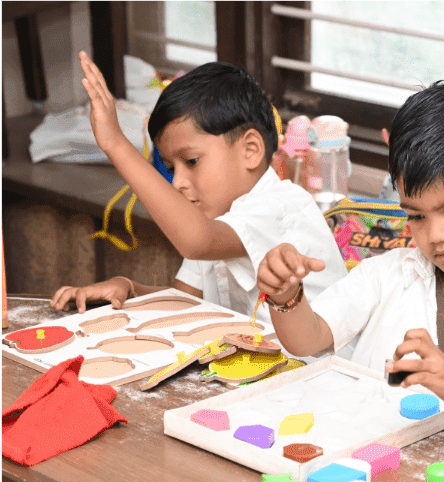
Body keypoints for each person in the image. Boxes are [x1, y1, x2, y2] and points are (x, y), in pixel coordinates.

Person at [256, 79, 444, 443]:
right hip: (366, 458)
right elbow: (309, 341)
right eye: (416, 216)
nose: (435, 234)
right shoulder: (387, 275)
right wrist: (286, 298)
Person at [50, 52, 346, 322]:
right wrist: (128, 291)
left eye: (191, 161)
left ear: (251, 150)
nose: (177, 182)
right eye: (171, 168)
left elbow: (197, 240)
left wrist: (115, 143)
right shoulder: (214, 218)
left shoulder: (280, 207)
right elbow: (185, 303)